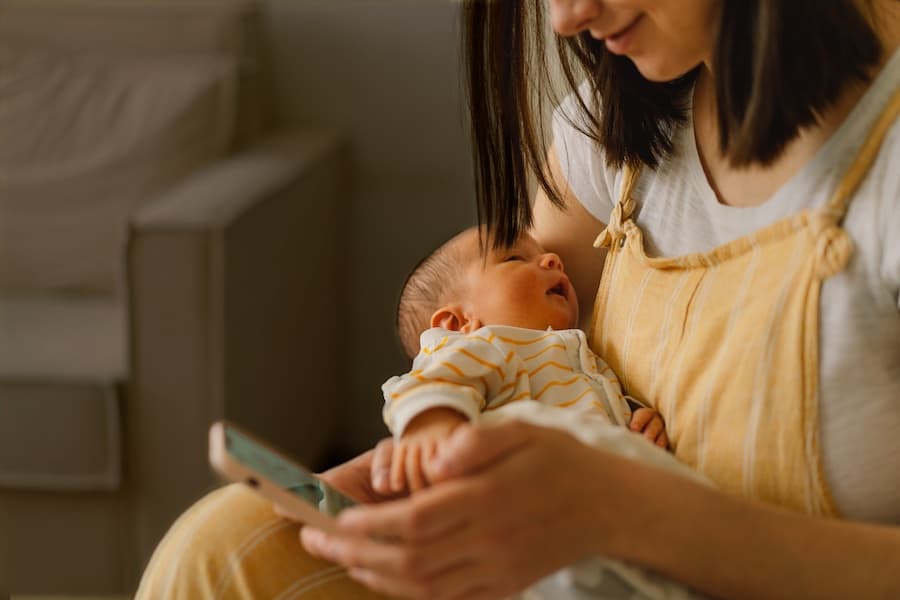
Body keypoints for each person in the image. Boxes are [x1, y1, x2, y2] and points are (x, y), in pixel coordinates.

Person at [136, 0, 900, 598]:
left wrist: (637, 510)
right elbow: (503, 333)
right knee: (229, 543)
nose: (566, 18)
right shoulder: (622, 118)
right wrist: (432, 468)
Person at [383, 225, 669, 495]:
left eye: (543, 254)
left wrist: (637, 420)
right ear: (456, 323)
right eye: (515, 257)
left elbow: (602, 407)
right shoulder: (484, 346)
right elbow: (433, 382)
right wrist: (431, 424)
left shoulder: (587, 356)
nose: (552, 259)